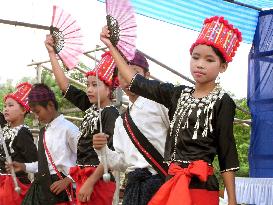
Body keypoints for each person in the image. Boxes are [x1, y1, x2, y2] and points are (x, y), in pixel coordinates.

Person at [100, 16, 241, 205]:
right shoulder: (177, 94)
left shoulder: (223, 102)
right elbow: (136, 82)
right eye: (196, 57)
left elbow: (227, 152)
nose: (200, 64)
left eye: (209, 60)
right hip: (172, 181)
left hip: (201, 185)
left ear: (222, 66)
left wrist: (232, 200)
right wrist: (112, 47)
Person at [45, 34, 119, 205]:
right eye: (88, 85)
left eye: (95, 85)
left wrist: (91, 182)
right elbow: (65, 87)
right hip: (83, 176)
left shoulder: (111, 114)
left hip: (97, 180)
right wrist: (52, 54)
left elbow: (110, 154)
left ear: (109, 90)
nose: (89, 89)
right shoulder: (90, 107)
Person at [93, 51, 170, 205]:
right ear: (118, 81)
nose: (128, 78)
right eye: (122, 74)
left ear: (147, 75)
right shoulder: (121, 121)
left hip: (161, 181)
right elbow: (121, 162)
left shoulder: (160, 103)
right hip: (133, 186)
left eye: (135, 72)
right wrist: (102, 150)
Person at [9, 84, 79, 205]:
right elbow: (43, 165)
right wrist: (24, 166)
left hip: (62, 190)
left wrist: (68, 180)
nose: (36, 117)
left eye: (38, 112)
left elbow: (84, 160)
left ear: (50, 105)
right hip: (44, 187)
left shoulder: (69, 129)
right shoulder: (44, 132)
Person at [0, 82, 38, 205]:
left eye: (10, 105)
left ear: (23, 110)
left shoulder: (23, 133)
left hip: (14, 185)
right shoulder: (5, 129)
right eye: (5, 106)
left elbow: (34, 161)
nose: (5, 108)